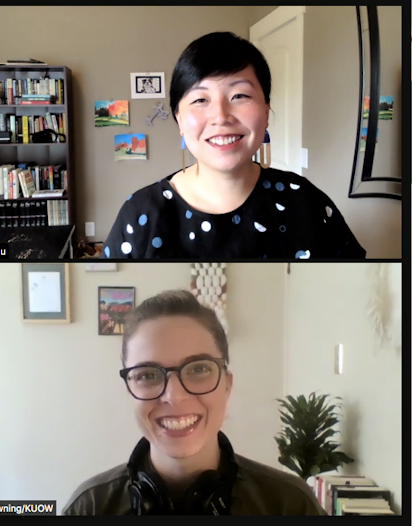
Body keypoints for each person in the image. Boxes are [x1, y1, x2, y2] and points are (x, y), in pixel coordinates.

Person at [102, 32, 365, 259]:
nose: (221, 116)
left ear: (265, 111)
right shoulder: (140, 215)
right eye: (200, 99)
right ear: (179, 120)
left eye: (239, 95)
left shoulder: (306, 202)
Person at [63, 290, 325, 515]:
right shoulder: (89, 506)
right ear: (130, 389)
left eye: (198, 369)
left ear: (227, 385)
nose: (174, 396)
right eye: (148, 375)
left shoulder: (290, 504)